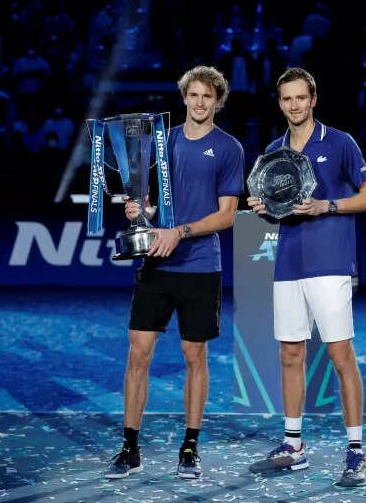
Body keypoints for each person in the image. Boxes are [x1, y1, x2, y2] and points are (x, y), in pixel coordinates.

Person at [104, 66, 244, 480]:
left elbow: (226, 216)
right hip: (157, 263)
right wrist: (140, 211)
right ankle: (130, 447)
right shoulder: (162, 142)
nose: (200, 102)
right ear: (184, 98)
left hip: (200, 267)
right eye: (193, 95)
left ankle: (190, 447)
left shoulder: (228, 148)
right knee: (138, 354)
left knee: (193, 355)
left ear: (217, 102)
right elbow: (155, 206)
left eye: (208, 97)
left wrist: (179, 232)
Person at [247, 68, 366, 487]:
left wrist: (328, 207)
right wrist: (263, 206)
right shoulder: (273, 151)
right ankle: (293, 446)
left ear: (313, 99)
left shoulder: (339, 142)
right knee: (290, 355)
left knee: (341, 357)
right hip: (288, 263)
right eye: (286, 99)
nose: (293, 105)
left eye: (300, 98)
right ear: (280, 102)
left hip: (330, 263)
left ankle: (356, 451)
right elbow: (278, 207)